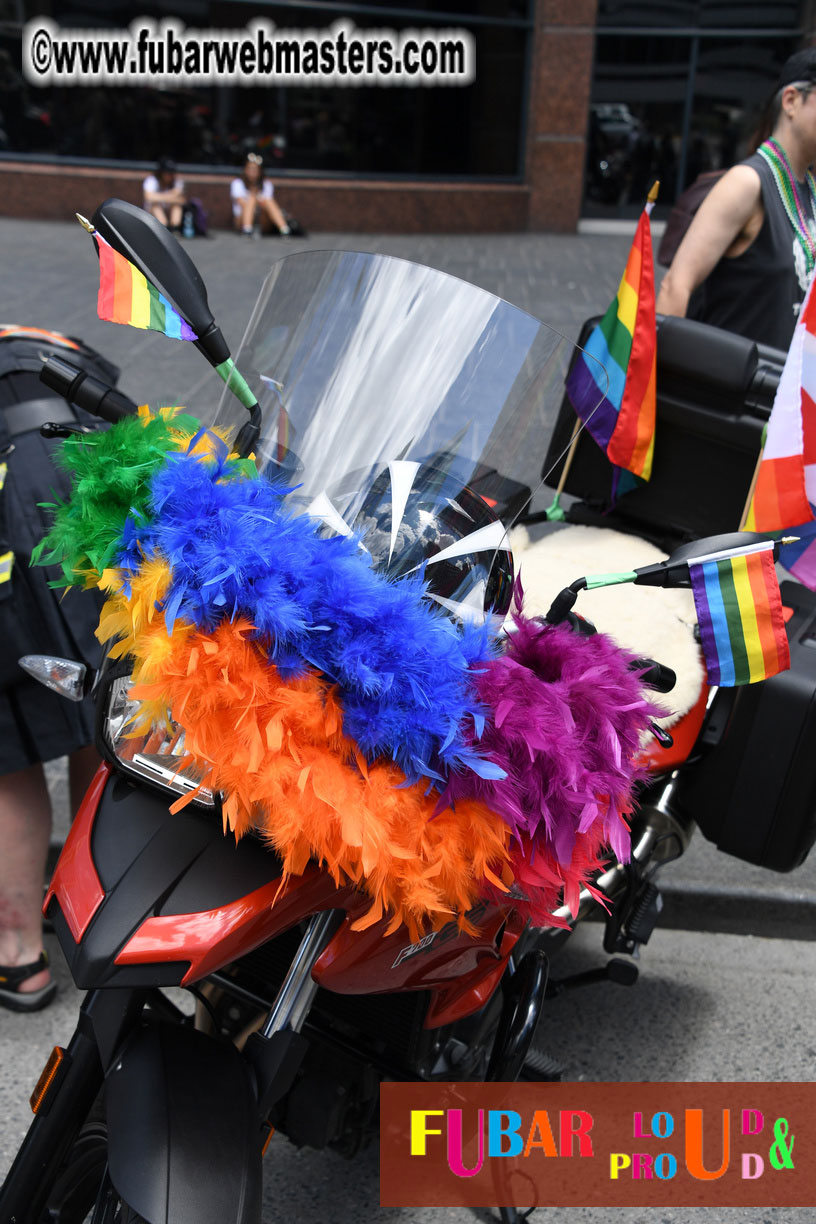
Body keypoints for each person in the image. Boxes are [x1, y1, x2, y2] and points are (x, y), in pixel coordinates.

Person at [0, 386, 103, 1011]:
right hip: (84, 475)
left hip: (6, 511)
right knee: (103, 705)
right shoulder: (48, 348)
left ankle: (17, 955)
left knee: (9, 747)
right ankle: (96, 917)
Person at [656, 49, 816, 351]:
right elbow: (675, 286)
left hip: (783, 392)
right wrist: (662, 389)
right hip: (731, 390)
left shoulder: (810, 191)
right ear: (792, 101)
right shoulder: (747, 183)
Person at [230, 153, 290, 236]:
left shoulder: (266, 184)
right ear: (245, 170)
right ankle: (247, 229)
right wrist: (254, 200)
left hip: (262, 218)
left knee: (269, 201)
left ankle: (284, 229)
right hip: (241, 219)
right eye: (250, 169)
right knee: (252, 199)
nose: (252, 172)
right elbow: (242, 204)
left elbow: (268, 205)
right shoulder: (237, 183)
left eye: (255, 170)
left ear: (260, 171)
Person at [143, 156, 186, 231]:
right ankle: (163, 227)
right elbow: (148, 197)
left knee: (176, 206)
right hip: (152, 213)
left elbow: (182, 200)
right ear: (161, 172)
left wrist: (158, 197)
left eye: (171, 172)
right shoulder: (152, 180)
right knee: (155, 206)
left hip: (168, 210)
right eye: (167, 172)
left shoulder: (177, 181)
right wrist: (172, 195)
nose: (170, 175)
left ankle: (174, 228)